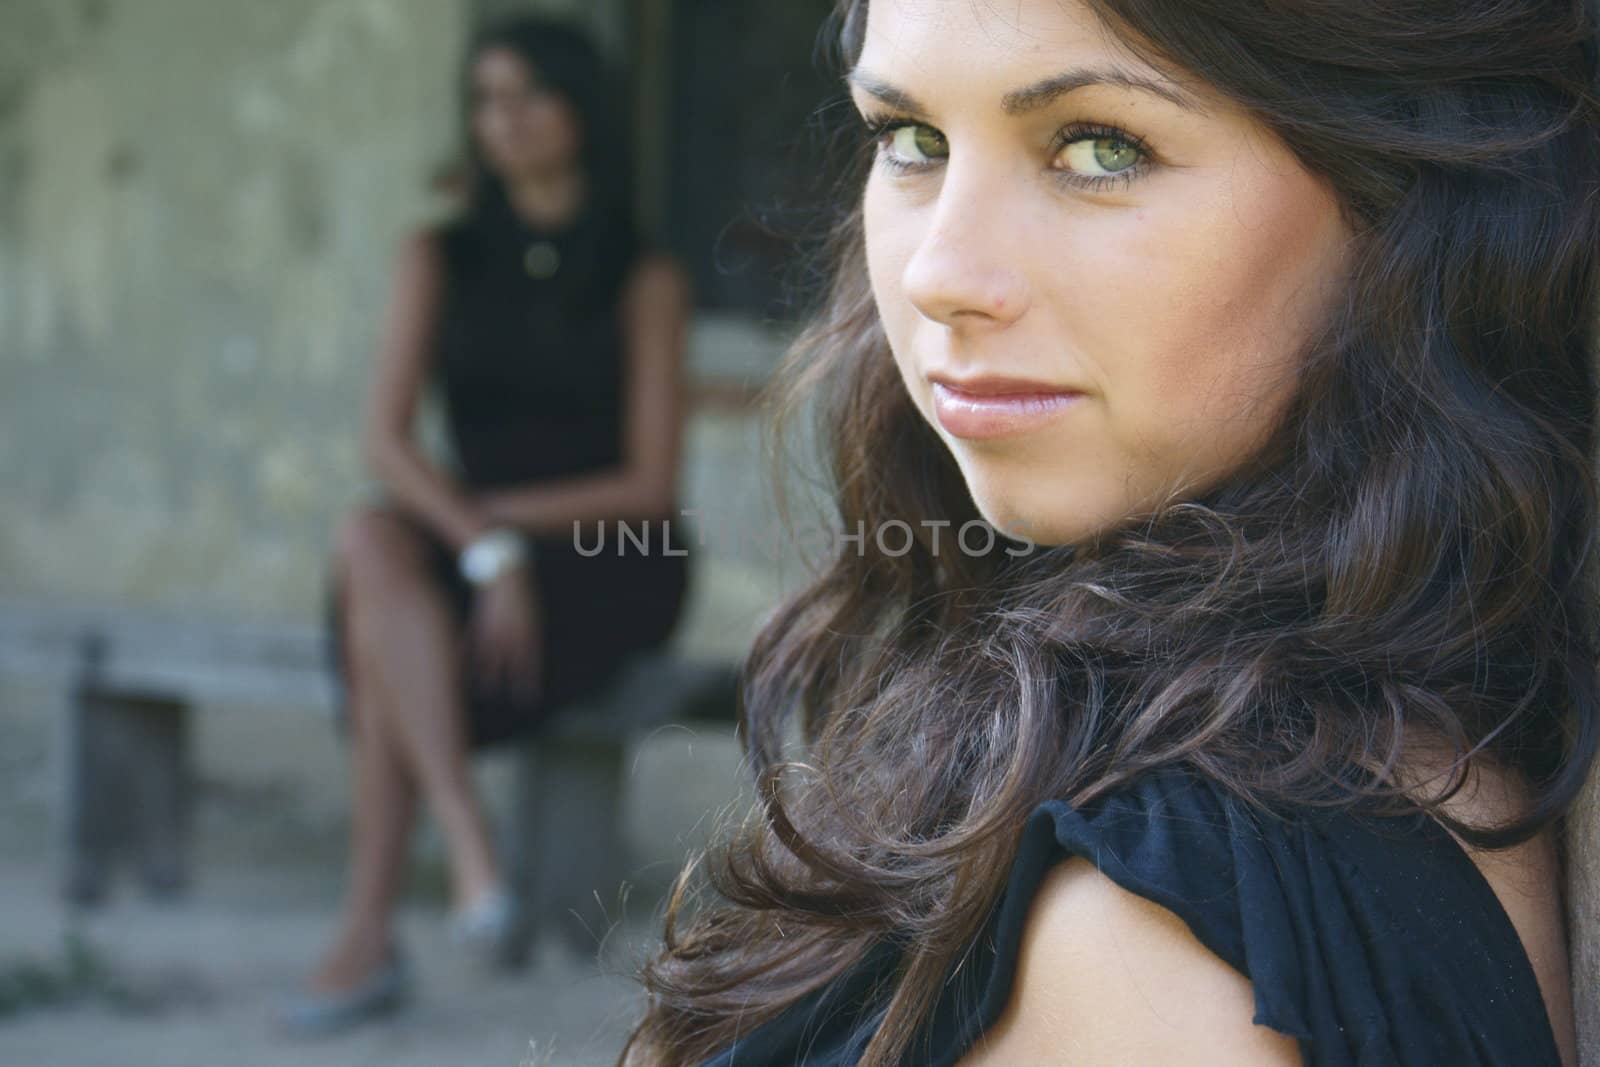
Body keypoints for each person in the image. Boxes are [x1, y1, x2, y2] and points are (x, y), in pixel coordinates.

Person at [624, 0, 1599, 1064]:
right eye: (910, 140)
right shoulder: (1412, 714)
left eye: (1099, 148)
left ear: (1398, 198)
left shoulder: (1143, 941)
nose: (936, 274)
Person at [278, 16, 693, 1035]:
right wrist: (479, 545)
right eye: (482, 101)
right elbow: (386, 440)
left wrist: (494, 532)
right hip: (464, 537)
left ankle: (367, 932)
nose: (499, 121)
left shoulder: (644, 276)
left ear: (577, 111)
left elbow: (648, 482)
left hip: (607, 549)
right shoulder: (438, 254)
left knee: (384, 621)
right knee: (371, 539)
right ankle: (466, 833)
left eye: (524, 97)